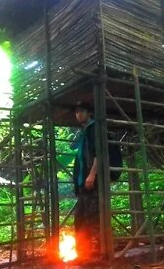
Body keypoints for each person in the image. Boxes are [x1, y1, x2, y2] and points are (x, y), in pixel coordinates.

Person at [71, 101, 100, 260]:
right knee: (80, 219)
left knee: (93, 218)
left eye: (82, 111)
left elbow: (99, 153)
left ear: (89, 113)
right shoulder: (84, 132)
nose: (79, 114)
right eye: (76, 112)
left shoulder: (94, 128)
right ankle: (84, 254)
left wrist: (92, 174)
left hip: (91, 183)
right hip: (83, 184)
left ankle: (97, 254)